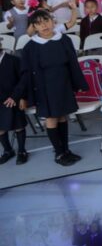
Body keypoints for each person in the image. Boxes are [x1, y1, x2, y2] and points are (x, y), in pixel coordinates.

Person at [11, 9, 88, 166]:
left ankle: (66, 149)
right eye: (38, 23)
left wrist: (78, 84)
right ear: (34, 27)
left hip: (63, 85)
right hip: (44, 88)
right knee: (51, 119)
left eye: (46, 21)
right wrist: (23, 95)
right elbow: (25, 74)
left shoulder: (64, 39)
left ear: (53, 21)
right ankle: (59, 153)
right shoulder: (30, 47)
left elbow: (73, 63)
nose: (44, 25)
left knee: (62, 116)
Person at [0, 48, 27, 165]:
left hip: (14, 97)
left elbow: (23, 80)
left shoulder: (13, 60)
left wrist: (19, 97)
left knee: (18, 125)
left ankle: (22, 151)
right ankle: (8, 150)